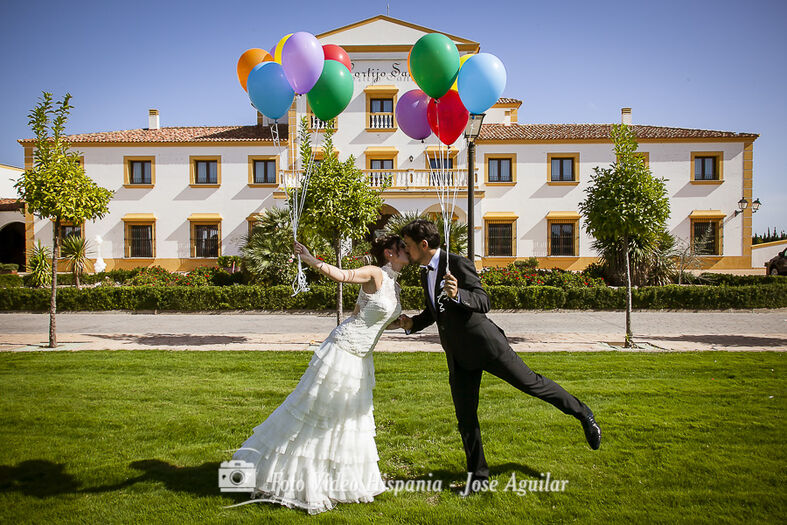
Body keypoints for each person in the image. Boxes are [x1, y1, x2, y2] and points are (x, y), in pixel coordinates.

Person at [398, 219, 601, 495]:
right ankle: (479, 479)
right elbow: (433, 312)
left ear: (423, 245)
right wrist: (412, 324)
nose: (405, 251)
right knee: (466, 418)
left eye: (408, 246)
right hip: (458, 356)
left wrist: (459, 294)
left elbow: (483, 301)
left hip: (487, 346)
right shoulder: (425, 273)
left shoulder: (457, 263)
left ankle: (583, 413)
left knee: (532, 384)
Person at [231, 234, 409, 514]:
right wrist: (309, 258)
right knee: (316, 413)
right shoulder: (375, 273)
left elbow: (371, 319)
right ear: (389, 253)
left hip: (361, 357)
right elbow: (341, 275)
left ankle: (331, 479)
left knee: (344, 419)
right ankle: (284, 474)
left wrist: (406, 324)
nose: (408, 251)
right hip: (342, 351)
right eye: (403, 248)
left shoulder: (394, 286)